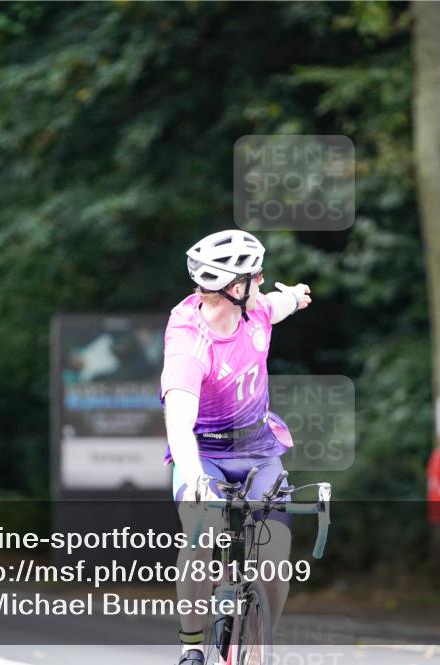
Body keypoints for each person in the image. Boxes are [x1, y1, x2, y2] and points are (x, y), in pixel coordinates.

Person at [160, 229, 311, 665]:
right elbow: (180, 428)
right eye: (256, 277)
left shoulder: (255, 310)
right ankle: (192, 647)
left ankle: (258, 648)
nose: (262, 282)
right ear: (233, 287)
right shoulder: (189, 343)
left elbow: (276, 306)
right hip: (202, 453)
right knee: (199, 533)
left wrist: (297, 296)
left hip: (260, 450)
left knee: (275, 563)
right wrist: (196, 483)